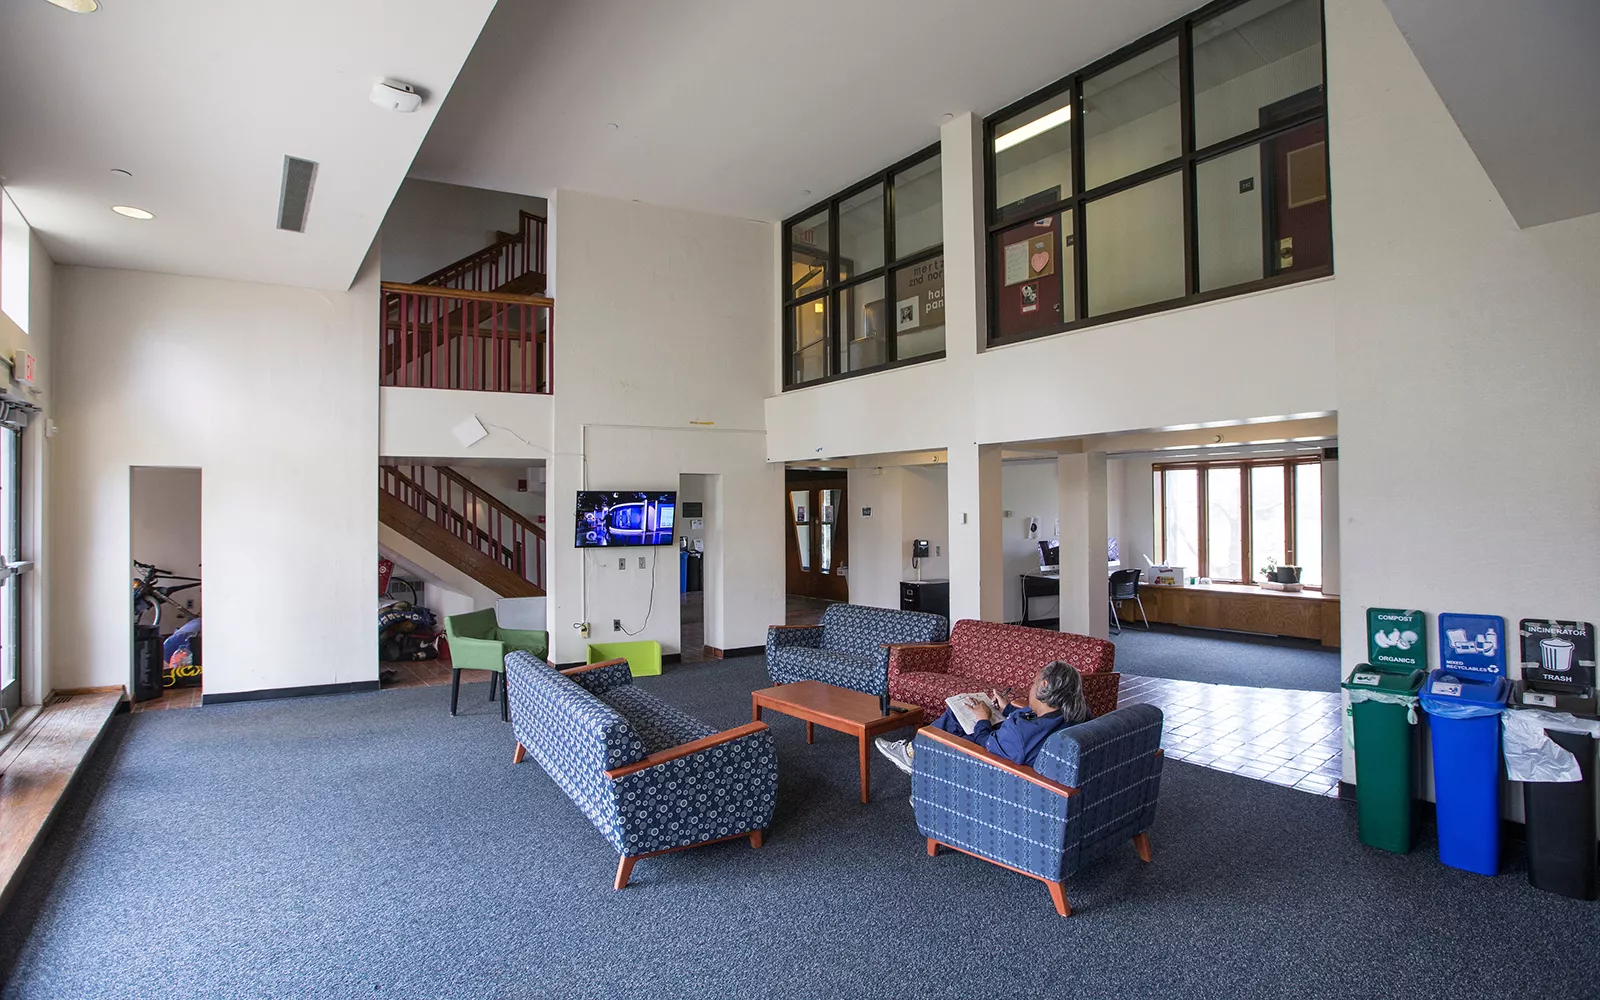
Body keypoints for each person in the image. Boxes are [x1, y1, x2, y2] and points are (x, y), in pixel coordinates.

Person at [874, 660, 1091, 775]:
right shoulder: (1076, 714)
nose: (1030, 687)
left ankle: (920, 765)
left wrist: (983, 719)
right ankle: (912, 752)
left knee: (950, 729)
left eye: (1034, 683)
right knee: (959, 715)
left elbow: (985, 743)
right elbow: (1036, 721)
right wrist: (1006, 709)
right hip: (1014, 750)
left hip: (992, 766)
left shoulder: (1020, 733)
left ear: (1044, 687)